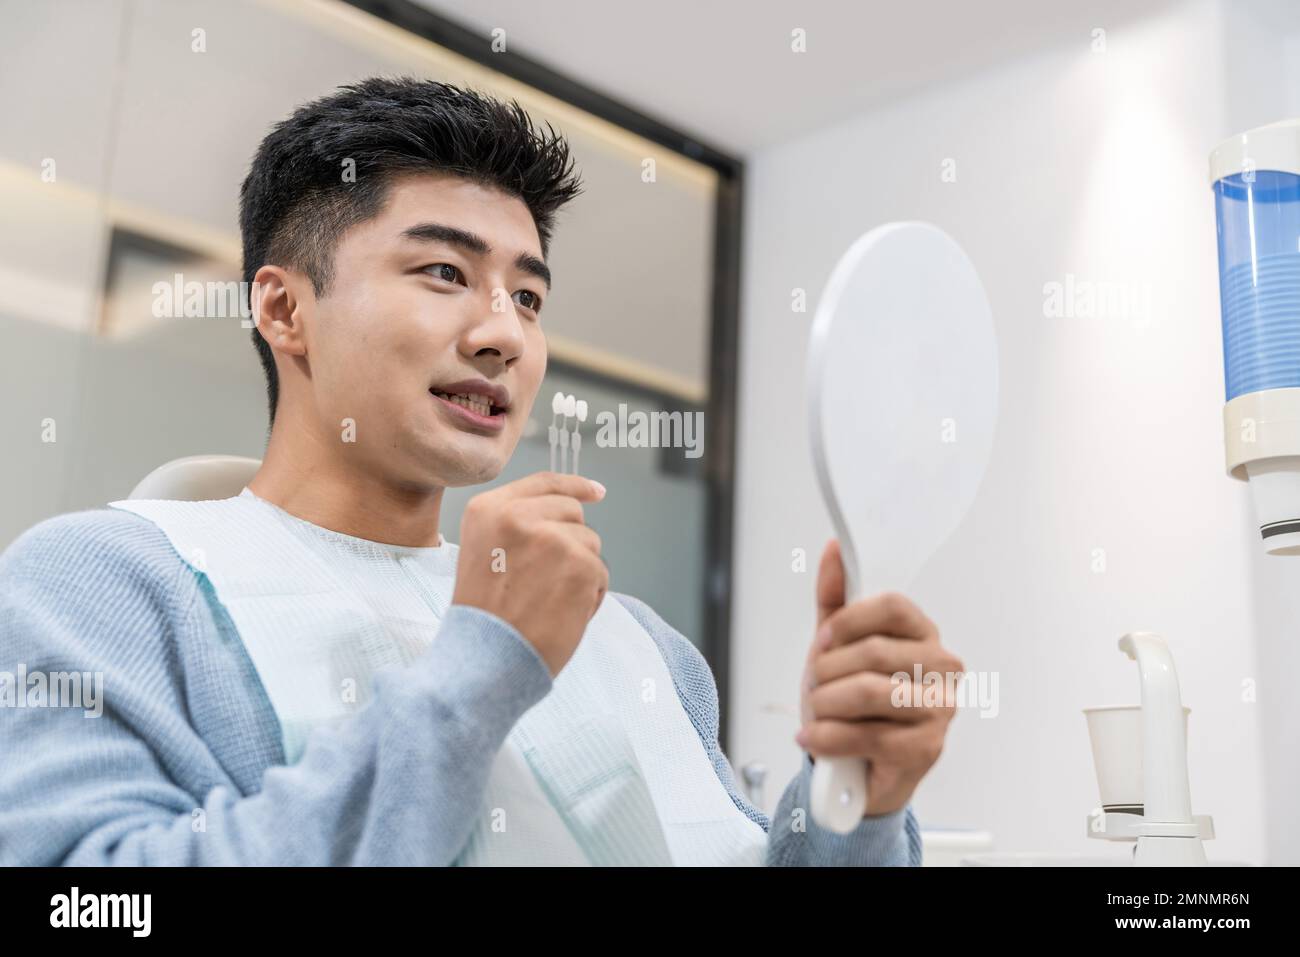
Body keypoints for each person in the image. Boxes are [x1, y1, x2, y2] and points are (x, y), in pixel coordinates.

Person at [0, 78, 962, 865]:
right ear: (285, 311)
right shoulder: (99, 584)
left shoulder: (642, 644)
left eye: (530, 296)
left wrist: (854, 804)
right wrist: (483, 663)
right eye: (444, 274)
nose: (505, 333)